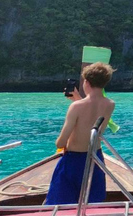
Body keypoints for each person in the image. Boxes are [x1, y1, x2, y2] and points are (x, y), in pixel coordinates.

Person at [45, 62, 116, 205]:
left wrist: (76, 102)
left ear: (86, 82)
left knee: (60, 204)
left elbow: (61, 142)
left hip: (73, 161)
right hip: (95, 159)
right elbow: (92, 119)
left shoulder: (76, 107)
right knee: (92, 203)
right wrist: (78, 99)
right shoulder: (110, 104)